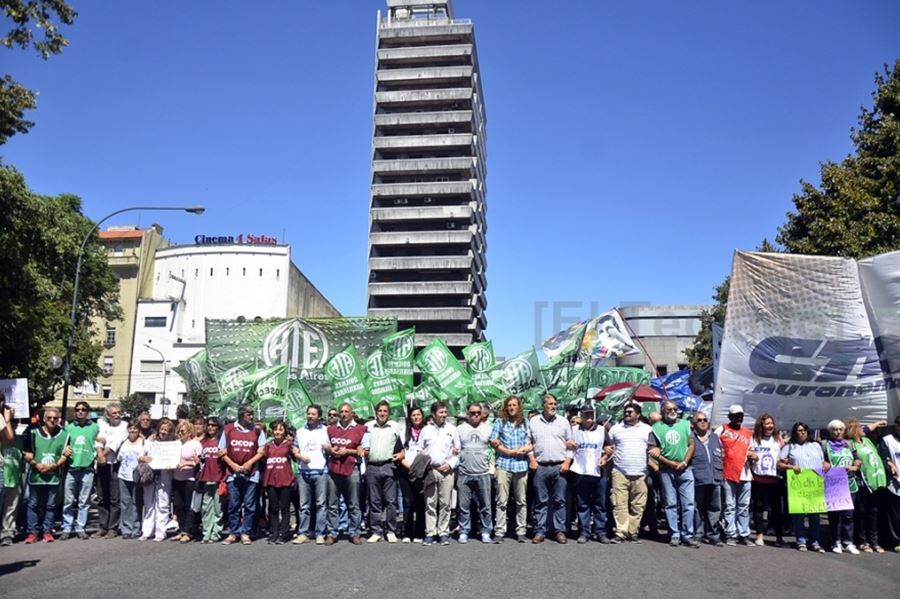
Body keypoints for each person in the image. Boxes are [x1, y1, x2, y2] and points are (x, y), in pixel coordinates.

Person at [604, 402, 655, 544]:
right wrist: (607, 450)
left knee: (637, 505)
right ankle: (620, 532)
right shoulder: (615, 429)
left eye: (630, 412)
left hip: (641, 473)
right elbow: (608, 446)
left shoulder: (647, 429)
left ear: (638, 414)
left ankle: (633, 532)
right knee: (619, 504)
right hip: (620, 472)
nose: (627, 414)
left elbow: (653, 447)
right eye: (626, 412)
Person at [528, 394, 574, 544]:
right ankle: (540, 531)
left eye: (555, 404)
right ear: (543, 405)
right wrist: (532, 459)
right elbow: (528, 442)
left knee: (560, 500)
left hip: (559, 465)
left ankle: (559, 531)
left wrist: (567, 461)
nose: (553, 406)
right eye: (550, 404)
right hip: (540, 466)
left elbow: (570, 443)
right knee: (541, 501)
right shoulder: (534, 422)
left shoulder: (563, 422)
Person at [650, 400, 697, 547]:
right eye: (669, 409)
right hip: (666, 470)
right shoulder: (656, 428)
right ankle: (674, 534)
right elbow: (652, 450)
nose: (672, 411)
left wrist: (684, 462)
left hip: (685, 469)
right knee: (670, 503)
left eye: (675, 409)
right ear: (663, 411)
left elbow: (692, 444)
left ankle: (687, 534)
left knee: (688, 504)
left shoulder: (685, 424)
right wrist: (668, 462)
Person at [778, 421, 829, 553]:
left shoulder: (816, 446)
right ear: (794, 433)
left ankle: (815, 542)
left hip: (814, 484)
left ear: (808, 432)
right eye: (799, 431)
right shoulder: (790, 447)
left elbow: (823, 461)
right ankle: (801, 541)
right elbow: (779, 464)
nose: (802, 433)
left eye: (804, 430)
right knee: (799, 515)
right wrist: (790, 466)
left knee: (815, 515)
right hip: (799, 485)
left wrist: (826, 465)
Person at [220, 405, 266, 545]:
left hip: (251, 473)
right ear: (241, 415)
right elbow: (221, 451)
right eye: (248, 414)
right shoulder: (228, 429)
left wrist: (249, 463)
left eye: (252, 414)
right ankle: (233, 532)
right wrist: (233, 465)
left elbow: (262, 450)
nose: (251, 417)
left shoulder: (257, 430)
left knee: (250, 505)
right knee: (234, 504)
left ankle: (245, 532)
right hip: (232, 473)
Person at [489, 395, 532, 543]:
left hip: (521, 465)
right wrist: (509, 452)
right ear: (506, 408)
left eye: (514, 405)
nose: (512, 408)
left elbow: (532, 443)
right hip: (504, 465)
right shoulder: (500, 422)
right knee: (501, 501)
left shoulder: (525, 423)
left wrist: (524, 449)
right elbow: (493, 442)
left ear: (519, 407)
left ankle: (521, 530)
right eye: (509, 405)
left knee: (521, 500)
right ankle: (500, 531)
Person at [325, 402, 368, 545]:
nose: (343, 414)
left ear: (351, 413)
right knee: (332, 503)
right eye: (341, 412)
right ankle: (332, 533)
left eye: (346, 412)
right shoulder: (331, 429)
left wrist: (348, 451)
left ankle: (354, 532)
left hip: (352, 469)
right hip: (334, 469)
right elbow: (325, 445)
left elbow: (365, 451)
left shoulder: (360, 429)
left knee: (354, 503)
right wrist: (330, 450)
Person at [23, 408, 68, 543]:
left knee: (51, 505)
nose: (52, 420)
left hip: (53, 475)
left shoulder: (64, 435)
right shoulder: (33, 433)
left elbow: (66, 454)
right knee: (33, 504)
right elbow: (25, 453)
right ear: (44, 419)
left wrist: (55, 465)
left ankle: (47, 531)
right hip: (36, 475)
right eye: (49, 418)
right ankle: (32, 532)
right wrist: (35, 464)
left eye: (55, 418)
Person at [420, 401, 460, 546]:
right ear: (433, 414)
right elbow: (420, 450)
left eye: (445, 412)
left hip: (446, 471)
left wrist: (450, 464)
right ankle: (430, 533)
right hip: (430, 471)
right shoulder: (426, 430)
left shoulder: (452, 429)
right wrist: (426, 465)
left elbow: (458, 450)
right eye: (440, 412)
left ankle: (443, 532)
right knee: (430, 503)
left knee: (445, 503)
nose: (444, 415)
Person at [716, 404, 756, 547]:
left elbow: (753, 451)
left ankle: (744, 534)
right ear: (730, 417)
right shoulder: (722, 430)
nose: (739, 418)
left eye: (741, 416)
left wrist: (753, 455)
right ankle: (730, 534)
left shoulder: (748, 434)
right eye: (736, 416)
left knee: (744, 506)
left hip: (745, 474)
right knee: (730, 505)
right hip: (728, 473)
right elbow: (715, 447)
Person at [364, 400, 404, 544]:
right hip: (372, 467)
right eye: (380, 411)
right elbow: (361, 445)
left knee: (391, 501)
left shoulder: (396, 427)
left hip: (389, 466)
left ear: (389, 413)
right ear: (376, 412)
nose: (382, 413)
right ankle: (376, 531)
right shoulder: (367, 427)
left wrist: (402, 454)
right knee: (374, 501)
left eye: (385, 411)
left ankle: (391, 530)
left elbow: (404, 446)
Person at [61, 401, 100, 540]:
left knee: (84, 501)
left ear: (88, 412)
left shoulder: (95, 428)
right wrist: (64, 450)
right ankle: (66, 527)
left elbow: (100, 442)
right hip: (71, 468)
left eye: (83, 409)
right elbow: (61, 445)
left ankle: (80, 527)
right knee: (68, 500)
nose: (80, 412)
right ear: (75, 412)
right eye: (78, 409)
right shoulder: (68, 428)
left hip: (87, 468)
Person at [846, 417, 887, 552]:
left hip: (876, 481)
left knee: (874, 512)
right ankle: (863, 541)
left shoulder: (867, 441)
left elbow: (867, 430)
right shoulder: (851, 444)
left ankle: (874, 541)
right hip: (863, 483)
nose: (864, 429)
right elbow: (866, 429)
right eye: (860, 427)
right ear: (855, 430)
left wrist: (878, 423)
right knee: (862, 512)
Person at [292, 404, 331, 545]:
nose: (310, 416)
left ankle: (320, 533)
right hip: (303, 472)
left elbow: (332, 449)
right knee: (304, 505)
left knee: (321, 504)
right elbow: (295, 449)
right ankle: (303, 533)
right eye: (309, 413)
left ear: (319, 416)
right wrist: (299, 456)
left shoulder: (326, 431)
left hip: (320, 471)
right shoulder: (300, 431)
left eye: (313, 414)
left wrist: (329, 448)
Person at [456, 402, 493, 544]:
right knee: (463, 505)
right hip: (465, 472)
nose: (475, 415)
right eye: (472, 413)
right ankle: (464, 531)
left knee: (485, 505)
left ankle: (485, 531)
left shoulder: (489, 429)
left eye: (478, 412)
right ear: (468, 414)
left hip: (483, 472)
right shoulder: (459, 429)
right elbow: (454, 447)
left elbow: (496, 445)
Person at [822, 419, 861, 554]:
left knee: (848, 515)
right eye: (834, 430)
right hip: (834, 484)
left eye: (840, 429)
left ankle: (848, 542)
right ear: (830, 431)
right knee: (835, 515)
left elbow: (857, 458)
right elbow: (820, 459)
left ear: (844, 431)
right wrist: (824, 464)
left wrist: (856, 465)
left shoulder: (849, 444)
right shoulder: (824, 444)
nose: (837, 432)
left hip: (850, 484)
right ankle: (836, 542)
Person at [571, 408, 609, 544]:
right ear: (580, 416)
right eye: (586, 414)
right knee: (583, 504)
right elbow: (567, 446)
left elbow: (609, 448)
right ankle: (584, 531)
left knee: (600, 504)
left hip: (598, 472)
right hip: (580, 471)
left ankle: (600, 531)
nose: (589, 416)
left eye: (591, 414)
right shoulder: (574, 430)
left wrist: (605, 457)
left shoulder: (601, 430)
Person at [93, 402, 128, 538]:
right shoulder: (102, 424)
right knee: (102, 497)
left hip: (115, 464)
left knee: (114, 498)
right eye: (114, 413)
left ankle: (113, 527)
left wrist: (103, 454)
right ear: (108, 415)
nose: (118, 415)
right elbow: (98, 440)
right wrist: (100, 454)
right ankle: (103, 526)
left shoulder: (124, 426)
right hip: (102, 464)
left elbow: (116, 442)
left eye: (119, 412)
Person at [749, 413, 784, 547]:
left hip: (775, 480)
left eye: (771, 423)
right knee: (758, 508)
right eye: (767, 424)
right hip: (758, 479)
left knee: (776, 510)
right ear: (761, 426)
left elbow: (785, 454)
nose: (770, 426)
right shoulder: (754, 438)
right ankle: (759, 535)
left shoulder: (778, 439)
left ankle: (779, 537)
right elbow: (747, 451)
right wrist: (751, 454)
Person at [140, 418, 176, 541]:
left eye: (166, 430)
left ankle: (160, 532)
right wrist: (144, 459)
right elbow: (140, 456)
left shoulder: (174, 444)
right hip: (151, 474)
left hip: (165, 474)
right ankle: (147, 531)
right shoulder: (150, 441)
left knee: (163, 504)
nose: (163, 432)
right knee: (149, 504)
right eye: (162, 429)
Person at [691, 411, 724, 546]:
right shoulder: (690, 438)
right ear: (694, 424)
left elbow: (721, 455)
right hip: (698, 477)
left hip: (715, 477)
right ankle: (698, 533)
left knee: (715, 507)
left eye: (705, 419)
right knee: (697, 507)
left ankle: (713, 534)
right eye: (699, 420)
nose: (703, 422)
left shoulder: (715, 437)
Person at [398, 406, 427, 543]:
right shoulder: (404, 432)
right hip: (406, 470)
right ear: (410, 418)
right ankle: (407, 532)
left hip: (422, 472)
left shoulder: (427, 431)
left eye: (418, 414)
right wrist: (408, 465)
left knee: (421, 502)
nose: (416, 417)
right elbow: (398, 451)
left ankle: (420, 533)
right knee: (408, 502)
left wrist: (418, 467)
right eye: (413, 415)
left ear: (422, 416)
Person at [261, 420, 294, 544]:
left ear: (284, 431)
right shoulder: (268, 446)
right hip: (271, 480)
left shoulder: (289, 445)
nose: (277, 432)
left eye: (280, 429)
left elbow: (297, 456)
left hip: (285, 480)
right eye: (275, 429)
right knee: (273, 508)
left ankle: (284, 533)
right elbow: (262, 458)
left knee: (285, 508)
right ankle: (274, 532)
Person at [172, 419, 202, 543]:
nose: (180, 433)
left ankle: (189, 531)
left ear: (189, 432)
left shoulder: (195, 444)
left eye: (182, 431)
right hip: (176, 478)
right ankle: (181, 529)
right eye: (178, 431)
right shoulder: (175, 444)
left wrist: (187, 463)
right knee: (178, 505)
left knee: (190, 506)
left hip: (190, 479)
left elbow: (199, 462)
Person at [197, 417, 226, 543]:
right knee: (206, 507)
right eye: (208, 425)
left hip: (219, 478)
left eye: (213, 425)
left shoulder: (222, 442)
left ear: (218, 427)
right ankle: (206, 533)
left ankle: (216, 533)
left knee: (218, 508)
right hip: (206, 478)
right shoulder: (203, 442)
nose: (210, 427)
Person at [116, 421, 146, 539]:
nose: (133, 430)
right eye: (131, 428)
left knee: (136, 503)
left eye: (135, 428)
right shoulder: (124, 443)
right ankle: (126, 528)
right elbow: (119, 458)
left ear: (139, 430)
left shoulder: (143, 443)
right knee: (125, 502)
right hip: (123, 476)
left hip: (137, 477)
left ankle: (136, 528)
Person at [878, 416, 900, 553]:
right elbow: (882, 458)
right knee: (896, 515)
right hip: (895, 483)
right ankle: (896, 541)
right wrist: (889, 464)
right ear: (896, 425)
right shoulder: (887, 440)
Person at [1, 419, 24, 546]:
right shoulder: (2, 438)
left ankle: (7, 534)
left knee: (11, 509)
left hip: (14, 478)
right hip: (2, 476)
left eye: (15, 423)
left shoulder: (20, 439)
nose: (13, 425)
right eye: (11, 422)